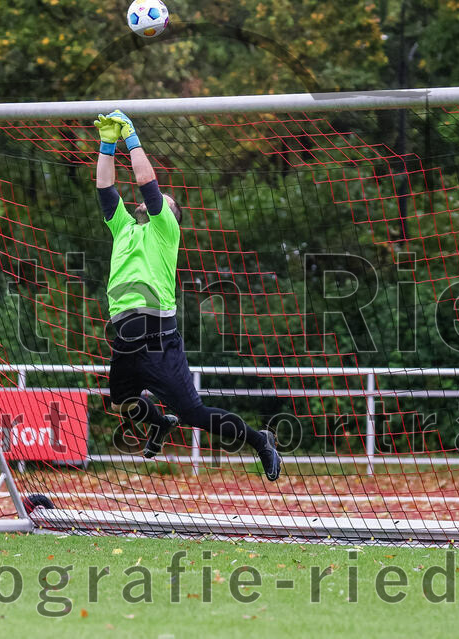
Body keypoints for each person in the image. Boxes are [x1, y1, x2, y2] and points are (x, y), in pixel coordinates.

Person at [93, 109, 281, 481]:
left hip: (159, 339)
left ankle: (260, 441)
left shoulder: (165, 231)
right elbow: (105, 189)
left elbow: (148, 185)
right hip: (125, 338)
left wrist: (132, 138)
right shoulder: (124, 227)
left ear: (170, 216)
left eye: (162, 203)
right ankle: (159, 422)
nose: (150, 201)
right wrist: (106, 145)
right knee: (122, 403)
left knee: (194, 413)